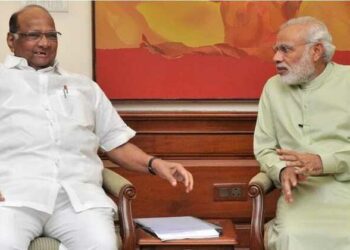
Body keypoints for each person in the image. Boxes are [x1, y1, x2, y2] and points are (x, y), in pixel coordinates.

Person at [0, 5, 193, 250]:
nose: (44, 43)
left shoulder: (84, 87)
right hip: (15, 197)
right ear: (11, 39)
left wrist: (155, 164)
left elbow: (116, 142)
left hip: (77, 200)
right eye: (33, 35)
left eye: (51, 35)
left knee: (102, 244)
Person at [254, 16, 350, 250]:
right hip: (299, 193)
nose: (276, 58)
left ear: (316, 51)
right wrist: (282, 169)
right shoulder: (273, 88)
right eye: (276, 50)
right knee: (292, 236)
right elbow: (264, 148)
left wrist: (323, 162)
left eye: (285, 50)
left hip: (345, 188)